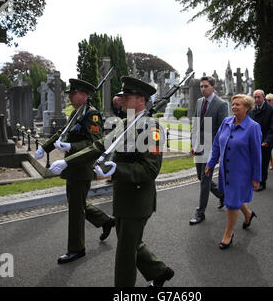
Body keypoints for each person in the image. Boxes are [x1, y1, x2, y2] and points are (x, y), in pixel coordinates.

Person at [48, 76, 174, 287]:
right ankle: (159, 271)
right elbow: (98, 146)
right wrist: (68, 162)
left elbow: (150, 169)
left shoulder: (152, 129)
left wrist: (116, 171)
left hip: (137, 200)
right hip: (123, 198)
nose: (122, 100)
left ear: (141, 99)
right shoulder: (125, 123)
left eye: (127, 96)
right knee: (129, 241)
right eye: (122, 96)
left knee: (125, 252)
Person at [35, 79, 115, 264]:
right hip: (72, 165)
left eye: (74, 93)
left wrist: (71, 145)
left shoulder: (92, 115)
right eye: (70, 93)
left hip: (82, 166)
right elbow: (62, 133)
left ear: (84, 95)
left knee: (76, 209)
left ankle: (77, 248)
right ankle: (105, 220)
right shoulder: (76, 113)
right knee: (76, 202)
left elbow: (94, 143)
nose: (70, 96)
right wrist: (45, 148)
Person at [205, 94, 261, 249]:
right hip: (225, 170)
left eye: (238, 104)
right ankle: (248, 214)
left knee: (231, 203)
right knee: (232, 197)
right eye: (233, 104)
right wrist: (211, 163)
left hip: (241, 173)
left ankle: (228, 233)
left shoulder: (253, 127)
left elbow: (257, 155)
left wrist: (257, 177)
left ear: (247, 108)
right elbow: (217, 144)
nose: (234, 107)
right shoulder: (226, 122)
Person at [189, 76, 228, 224]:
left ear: (213, 87)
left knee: (205, 181)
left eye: (205, 86)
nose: (202, 89)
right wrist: (192, 144)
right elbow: (195, 124)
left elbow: (222, 130)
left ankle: (200, 212)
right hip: (199, 146)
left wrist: (217, 152)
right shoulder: (199, 102)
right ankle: (221, 194)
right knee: (201, 177)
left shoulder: (221, 104)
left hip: (211, 148)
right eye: (201, 86)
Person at [249, 89, 273, 191]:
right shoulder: (252, 110)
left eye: (259, 97)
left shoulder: (271, 110)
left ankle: (262, 182)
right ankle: (254, 181)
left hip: (264, 141)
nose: (257, 99)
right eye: (255, 97)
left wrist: (267, 140)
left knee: (263, 163)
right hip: (253, 141)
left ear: (263, 97)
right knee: (253, 162)